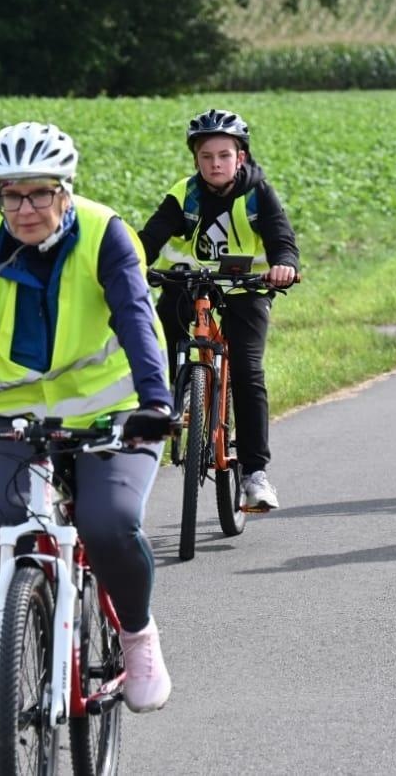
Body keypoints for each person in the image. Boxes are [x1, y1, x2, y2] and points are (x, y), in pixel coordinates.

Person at [0, 122, 175, 718]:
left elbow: (134, 317)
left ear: (65, 192)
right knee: (2, 532)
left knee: (108, 522)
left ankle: (137, 637)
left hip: (114, 412)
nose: (24, 209)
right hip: (13, 419)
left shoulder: (105, 236)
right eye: (11, 195)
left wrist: (155, 404)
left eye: (39, 193)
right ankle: (1, 669)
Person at [139, 109, 299, 512]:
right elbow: (150, 238)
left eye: (224, 155)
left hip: (248, 288)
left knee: (247, 370)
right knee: (164, 327)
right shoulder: (185, 194)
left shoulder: (258, 194)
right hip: (188, 283)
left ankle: (254, 474)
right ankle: (177, 395)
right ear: (196, 159)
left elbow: (281, 239)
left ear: (240, 157)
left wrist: (284, 266)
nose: (215, 164)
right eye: (206, 156)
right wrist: (129, 263)